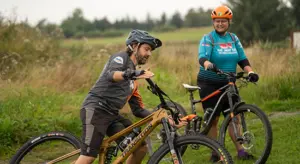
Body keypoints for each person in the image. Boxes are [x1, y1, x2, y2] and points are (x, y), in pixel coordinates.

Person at [75, 29, 161, 164]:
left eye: (150, 50)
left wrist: (161, 117)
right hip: (96, 109)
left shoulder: (133, 81)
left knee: (139, 147)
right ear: (134, 46)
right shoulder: (120, 58)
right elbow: (112, 74)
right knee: (89, 156)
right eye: (147, 49)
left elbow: (138, 110)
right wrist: (134, 74)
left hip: (112, 115)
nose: (149, 53)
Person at [197, 5, 259, 161]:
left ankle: (241, 151)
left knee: (234, 116)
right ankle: (215, 152)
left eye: (223, 21)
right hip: (209, 82)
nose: (220, 24)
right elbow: (202, 57)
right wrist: (208, 64)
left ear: (229, 22)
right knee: (214, 119)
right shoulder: (208, 38)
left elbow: (242, 59)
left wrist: (250, 72)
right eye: (217, 21)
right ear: (213, 22)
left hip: (229, 82)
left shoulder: (233, 38)